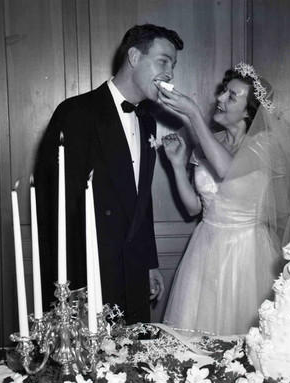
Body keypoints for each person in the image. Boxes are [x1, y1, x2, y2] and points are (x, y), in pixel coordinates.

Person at [34, 24, 184, 324]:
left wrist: (149, 263)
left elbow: (141, 202)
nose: (169, 73)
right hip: (89, 275)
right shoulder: (75, 113)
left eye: (173, 65)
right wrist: (72, 285)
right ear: (133, 56)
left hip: (132, 272)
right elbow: (58, 209)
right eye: (163, 61)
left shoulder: (148, 123)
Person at [158, 63, 290, 335]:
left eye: (231, 96)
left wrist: (193, 114)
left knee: (246, 335)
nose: (219, 98)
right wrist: (175, 165)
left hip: (246, 253)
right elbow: (194, 207)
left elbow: (226, 169)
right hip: (205, 248)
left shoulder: (265, 145)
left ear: (248, 111)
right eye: (223, 92)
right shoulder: (208, 143)